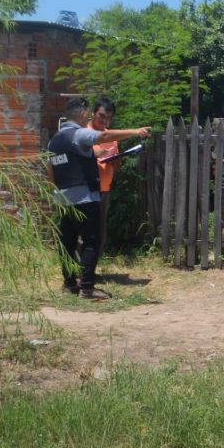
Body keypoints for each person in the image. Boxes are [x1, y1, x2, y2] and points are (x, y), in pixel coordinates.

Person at [48, 97, 150, 300]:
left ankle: (69, 284)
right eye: (87, 113)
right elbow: (104, 136)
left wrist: (56, 195)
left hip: (63, 199)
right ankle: (87, 288)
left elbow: (50, 171)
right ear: (82, 113)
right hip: (84, 197)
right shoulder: (79, 134)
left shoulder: (54, 140)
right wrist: (135, 132)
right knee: (91, 241)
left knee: (67, 243)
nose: (87, 116)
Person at [88, 97, 120, 254]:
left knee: (100, 230)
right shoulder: (83, 133)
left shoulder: (111, 137)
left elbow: (115, 166)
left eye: (108, 118)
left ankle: (93, 264)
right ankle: (79, 265)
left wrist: (116, 159)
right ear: (93, 113)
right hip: (86, 188)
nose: (104, 121)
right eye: (101, 116)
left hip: (104, 188)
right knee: (85, 228)